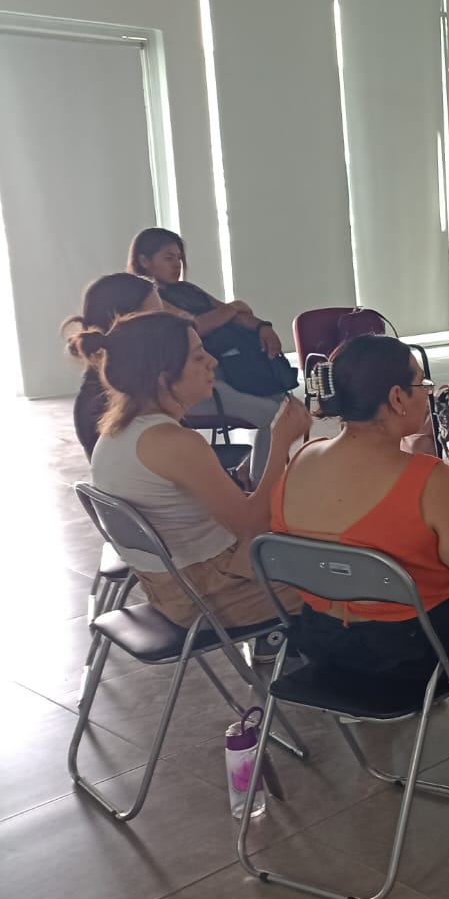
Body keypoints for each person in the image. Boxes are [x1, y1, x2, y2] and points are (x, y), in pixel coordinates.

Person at [270, 334, 449, 717]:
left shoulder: (301, 459)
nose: (427, 393)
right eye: (422, 384)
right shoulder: (426, 479)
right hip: (412, 652)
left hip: (324, 641)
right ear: (397, 397)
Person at [75, 311, 310, 628]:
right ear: (164, 378)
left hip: (171, 586)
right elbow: (252, 525)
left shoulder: (117, 431)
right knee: (340, 579)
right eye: (199, 357)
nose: (213, 362)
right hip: (215, 592)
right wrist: (280, 443)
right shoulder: (173, 441)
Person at [128, 227, 290, 485]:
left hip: (227, 374)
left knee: (287, 404)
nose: (177, 264)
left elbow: (238, 315)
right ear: (144, 260)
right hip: (191, 390)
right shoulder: (147, 300)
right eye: (168, 258)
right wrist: (233, 307)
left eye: (179, 258)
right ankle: (261, 486)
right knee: (277, 417)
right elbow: (197, 325)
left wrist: (263, 327)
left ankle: (248, 472)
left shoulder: (188, 290)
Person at [64, 273, 164, 459]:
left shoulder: (127, 385)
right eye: (156, 319)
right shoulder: (109, 402)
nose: (166, 328)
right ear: (124, 325)